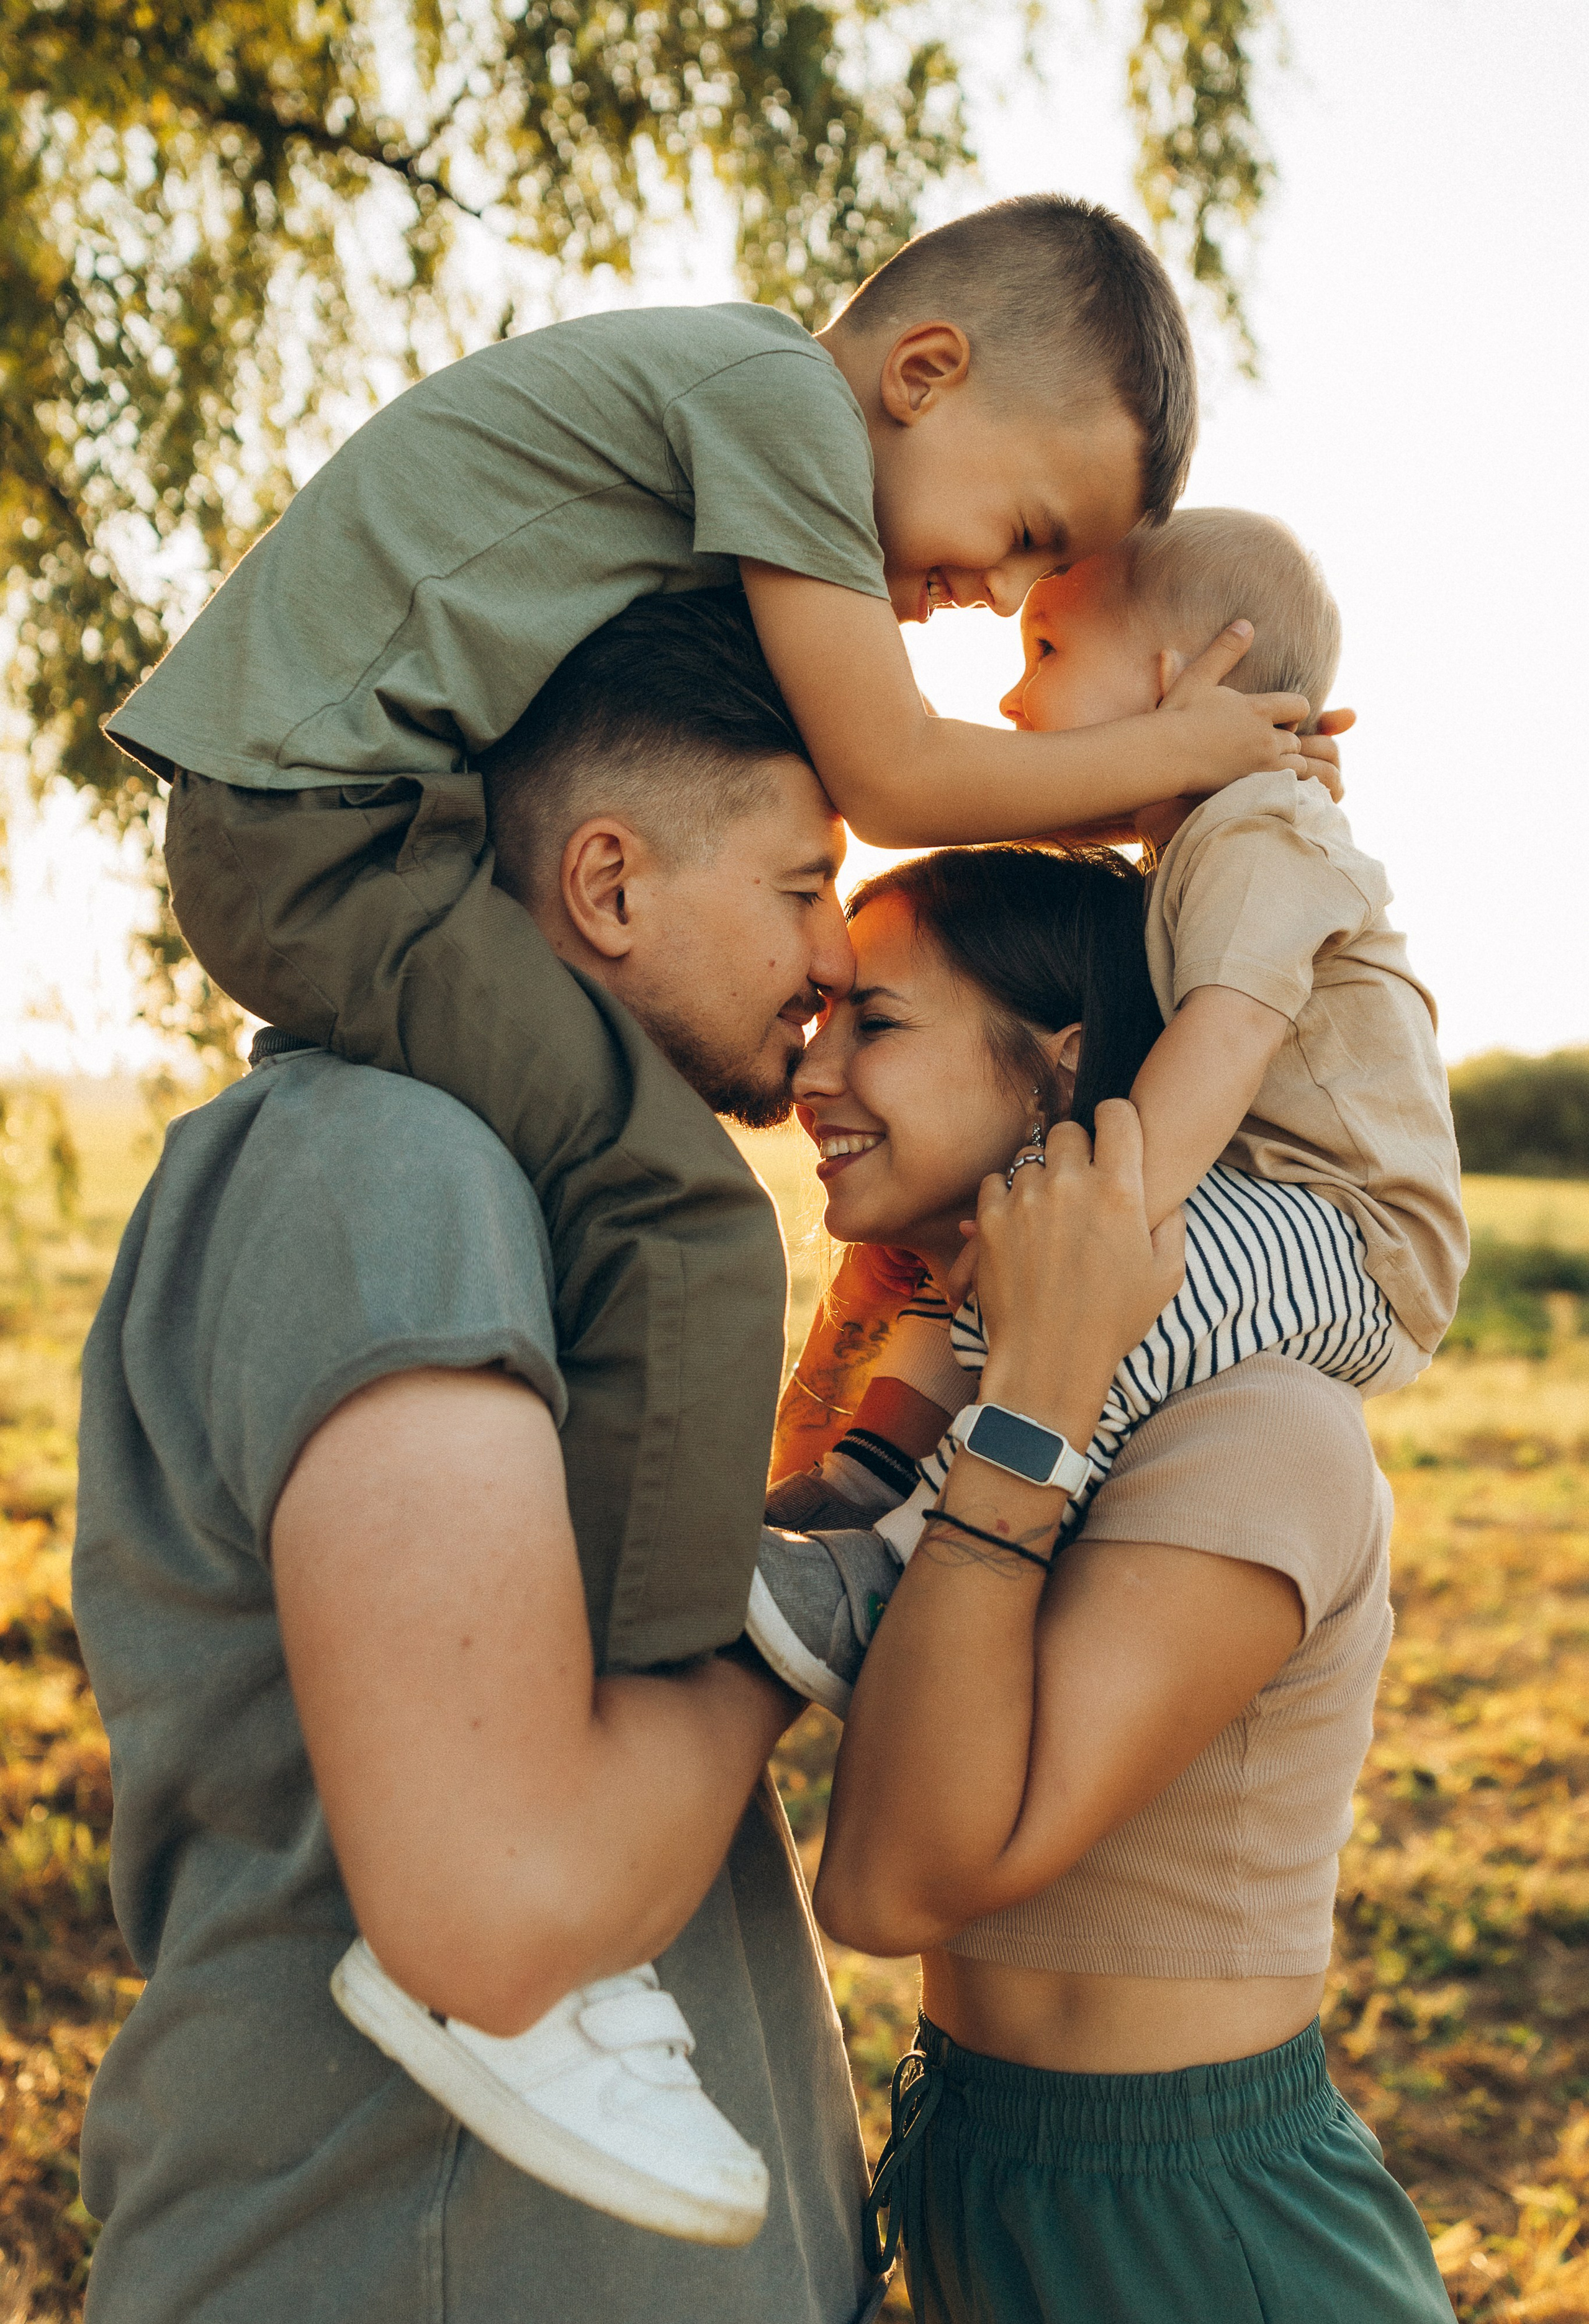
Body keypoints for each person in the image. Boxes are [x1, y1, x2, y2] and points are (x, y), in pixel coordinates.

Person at [101, 196, 1333, 1725]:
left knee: (581, 1137)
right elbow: (891, 775)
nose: (1003, 598)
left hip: (354, 821)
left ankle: (569, 1592)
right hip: (323, 830)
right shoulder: (778, 408)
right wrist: (1174, 750)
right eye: (1022, 535)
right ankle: (647, 1689)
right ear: (923, 373)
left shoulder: (728, 434)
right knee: (683, 1216)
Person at [71, 596, 886, 2324]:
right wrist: (808, 1612)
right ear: (607, 885)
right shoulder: (396, 1169)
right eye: (802, 885)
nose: (837, 959)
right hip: (415, 2307)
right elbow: (503, 1905)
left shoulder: (493, 1195)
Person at [752, 858, 1474, 2324]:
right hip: (991, 2179)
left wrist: (1032, 1401)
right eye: (815, 1013)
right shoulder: (928, 1373)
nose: (809, 1066)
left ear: (1058, 1061)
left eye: (870, 1019)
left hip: (1199, 2246)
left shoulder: (1255, 1427)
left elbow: (888, 1883)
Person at [760, 508, 1465, 1596]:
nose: (1011, 696)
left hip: (1357, 1233)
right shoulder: (1195, 851)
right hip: (1277, 1203)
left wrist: (1094, 1231)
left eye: (1045, 650)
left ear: (1174, 682)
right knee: (996, 1257)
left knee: (1099, 1283)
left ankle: (895, 1560)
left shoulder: (1259, 830)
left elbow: (1226, 1041)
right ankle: (869, 1473)